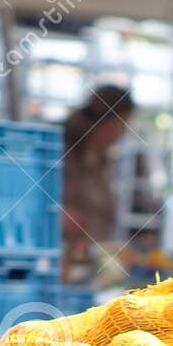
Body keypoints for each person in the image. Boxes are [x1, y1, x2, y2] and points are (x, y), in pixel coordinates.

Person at [61, 85, 135, 270]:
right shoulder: (61, 154)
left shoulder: (101, 161)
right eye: (123, 124)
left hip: (86, 265)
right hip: (61, 263)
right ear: (109, 122)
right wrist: (58, 215)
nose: (123, 132)